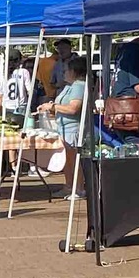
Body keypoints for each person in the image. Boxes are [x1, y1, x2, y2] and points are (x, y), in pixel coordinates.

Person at [49, 53, 91, 193]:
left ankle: (79, 188)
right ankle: (69, 186)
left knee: (74, 160)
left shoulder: (79, 86)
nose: (64, 73)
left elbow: (73, 108)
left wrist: (53, 107)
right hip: (63, 128)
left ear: (74, 72)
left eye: (66, 70)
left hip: (74, 129)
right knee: (67, 160)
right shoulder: (69, 86)